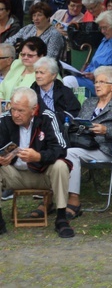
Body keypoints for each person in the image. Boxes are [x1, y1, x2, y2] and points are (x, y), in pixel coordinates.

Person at [0, 87, 74, 238]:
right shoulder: (5, 119)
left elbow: (61, 148)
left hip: (43, 174)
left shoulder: (48, 117)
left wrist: (39, 156)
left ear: (34, 109)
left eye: (20, 110)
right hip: (14, 175)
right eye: (13, 109)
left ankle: (61, 218)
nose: (15, 114)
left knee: (61, 165)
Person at [63, 66, 112, 220]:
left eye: (102, 82)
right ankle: (50, 198)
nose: (97, 85)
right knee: (58, 150)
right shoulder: (89, 103)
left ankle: (73, 201)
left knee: (70, 154)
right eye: (96, 82)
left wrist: (107, 130)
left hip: (106, 149)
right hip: (84, 144)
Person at [63, 11, 112, 97]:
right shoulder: (105, 41)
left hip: (110, 88)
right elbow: (94, 63)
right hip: (93, 81)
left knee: (68, 81)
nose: (102, 31)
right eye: (101, 28)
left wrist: (97, 77)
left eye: (105, 28)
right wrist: (84, 73)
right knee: (61, 82)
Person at [31, 57, 80, 130]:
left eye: (42, 73)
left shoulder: (65, 92)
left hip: (61, 130)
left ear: (53, 75)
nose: (38, 76)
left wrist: (56, 117)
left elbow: (74, 114)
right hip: (37, 130)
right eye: (36, 72)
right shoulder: (31, 93)